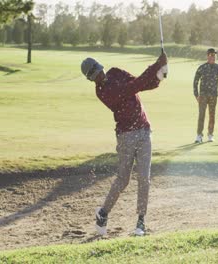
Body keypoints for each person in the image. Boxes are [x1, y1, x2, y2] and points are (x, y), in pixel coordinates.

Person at [80, 52, 168, 236]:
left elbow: (140, 83)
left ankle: (141, 221)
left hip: (144, 132)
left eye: (99, 71)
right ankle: (103, 213)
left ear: (101, 66)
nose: (100, 76)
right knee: (123, 179)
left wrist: (159, 75)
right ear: (91, 79)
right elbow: (132, 88)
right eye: (95, 76)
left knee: (144, 178)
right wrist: (156, 65)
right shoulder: (102, 92)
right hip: (125, 137)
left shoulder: (116, 72)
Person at [193, 48, 218, 143]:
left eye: (214, 55)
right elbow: (195, 82)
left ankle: (210, 135)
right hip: (203, 96)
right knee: (201, 115)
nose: (213, 57)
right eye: (211, 55)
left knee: (212, 115)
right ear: (207, 56)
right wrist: (196, 95)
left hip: (213, 95)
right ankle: (199, 135)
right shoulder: (202, 67)